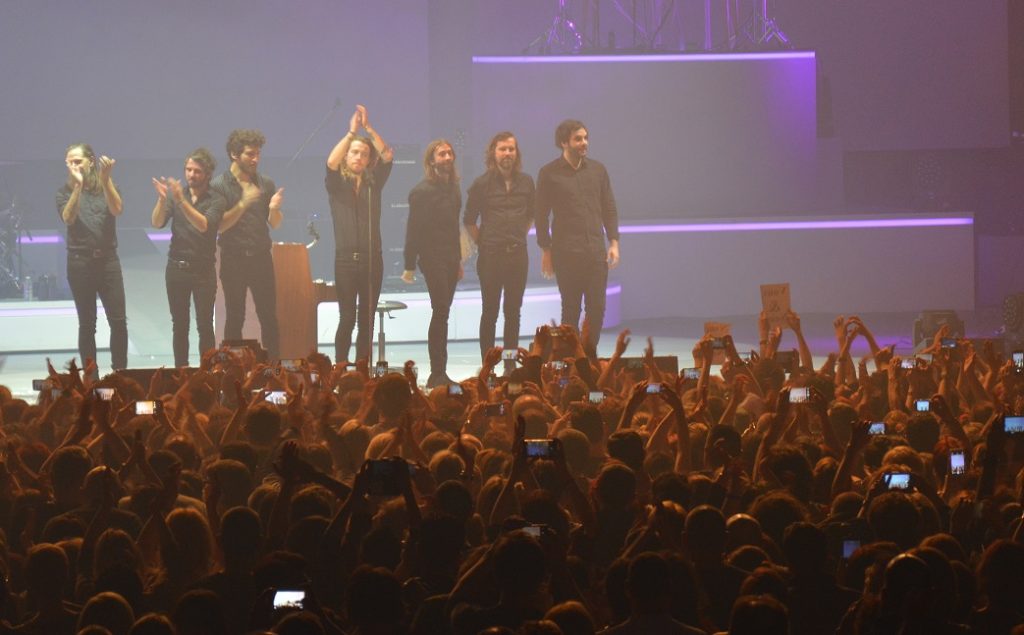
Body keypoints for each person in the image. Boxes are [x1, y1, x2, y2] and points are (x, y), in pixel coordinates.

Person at [535, 119, 619, 354]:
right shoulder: (549, 173)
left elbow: (608, 207)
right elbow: (540, 215)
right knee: (571, 309)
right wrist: (546, 250)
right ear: (564, 142)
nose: (584, 143)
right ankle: (570, 360)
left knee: (598, 308)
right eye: (578, 139)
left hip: (595, 252)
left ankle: (588, 355)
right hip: (566, 253)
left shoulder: (598, 170)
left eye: (585, 138)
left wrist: (613, 242)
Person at [325, 104, 394, 364]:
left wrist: (369, 129)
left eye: (364, 154)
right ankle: (340, 368)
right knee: (347, 319)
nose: (358, 157)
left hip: (372, 259)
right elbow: (331, 162)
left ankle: (362, 371)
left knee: (366, 319)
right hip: (345, 260)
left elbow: (387, 156)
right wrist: (351, 133)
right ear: (347, 155)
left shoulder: (372, 183)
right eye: (354, 153)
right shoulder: (336, 184)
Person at [463, 131, 535, 366]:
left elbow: (531, 215)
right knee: (490, 312)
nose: (507, 153)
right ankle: (489, 366)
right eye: (502, 149)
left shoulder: (526, 182)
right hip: (491, 257)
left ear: (517, 153)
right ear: (493, 153)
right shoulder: (481, 184)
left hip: (517, 255)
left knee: (513, 312)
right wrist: (484, 242)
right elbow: (469, 220)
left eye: (511, 149)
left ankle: (510, 365)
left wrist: (516, 235)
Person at [211, 129, 283, 359]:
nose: (255, 159)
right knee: (235, 316)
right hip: (234, 259)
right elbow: (219, 226)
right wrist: (243, 203)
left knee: (269, 317)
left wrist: (273, 209)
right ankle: (233, 371)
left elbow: (275, 223)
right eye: (250, 154)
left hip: (262, 257)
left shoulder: (266, 183)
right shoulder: (218, 186)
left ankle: (275, 368)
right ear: (234, 154)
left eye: (258, 154)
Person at [151, 148, 226, 368]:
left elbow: (204, 225)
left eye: (197, 171)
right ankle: (181, 371)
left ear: (208, 174)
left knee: (204, 324)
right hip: (176, 268)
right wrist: (162, 199)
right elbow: (157, 223)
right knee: (180, 325)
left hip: (203, 270)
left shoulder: (217, 200)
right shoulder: (177, 197)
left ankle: (209, 372)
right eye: (188, 170)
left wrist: (181, 201)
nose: (191, 175)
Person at [57, 143, 128, 373]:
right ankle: (91, 378)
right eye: (69, 161)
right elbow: (68, 218)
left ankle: (119, 373)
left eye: (77, 161)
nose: (73, 165)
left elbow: (117, 209)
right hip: (80, 263)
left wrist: (106, 180)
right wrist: (77, 187)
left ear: (91, 161)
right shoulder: (64, 192)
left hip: (108, 261)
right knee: (87, 325)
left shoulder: (106, 185)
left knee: (118, 322)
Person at [402, 139, 462, 387]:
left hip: (449, 257)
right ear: (431, 161)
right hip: (431, 257)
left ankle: (440, 371)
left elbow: (453, 229)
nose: (447, 157)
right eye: (442, 154)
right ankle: (437, 372)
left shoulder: (455, 189)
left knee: (443, 313)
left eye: (449, 153)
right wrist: (409, 264)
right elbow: (413, 229)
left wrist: (458, 261)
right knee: (440, 311)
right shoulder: (421, 191)